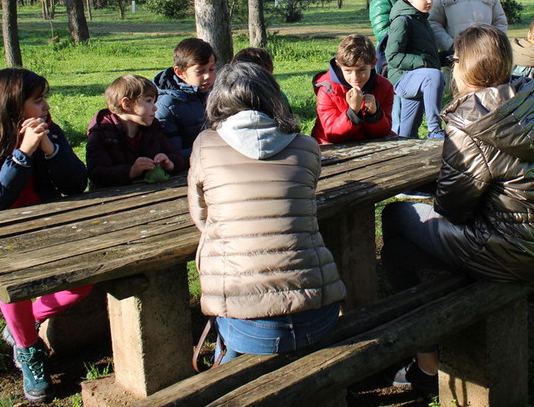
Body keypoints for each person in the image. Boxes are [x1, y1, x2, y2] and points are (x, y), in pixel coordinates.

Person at [381, 25, 534, 396]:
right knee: (402, 245)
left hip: (509, 251)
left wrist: (430, 194)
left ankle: (426, 361)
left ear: (466, 67)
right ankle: (428, 344)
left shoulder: (472, 120)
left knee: (394, 218)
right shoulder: (531, 99)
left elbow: (455, 208)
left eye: (454, 60)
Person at [187, 62, 346, 364]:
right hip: (320, 310)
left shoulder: (205, 145)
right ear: (273, 98)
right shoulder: (307, 147)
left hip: (250, 321)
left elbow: (203, 218)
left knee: (238, 331)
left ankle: (224, 381)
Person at [0, 68, 91, 403]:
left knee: (82, 279)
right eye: (37, 100)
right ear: (14, 105)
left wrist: (49, 148)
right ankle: (27, 350)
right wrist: (22, 152)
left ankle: (19, 327)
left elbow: (75, 184)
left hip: (36, 213)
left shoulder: (45, 124)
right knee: (15, 283)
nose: (45, 106)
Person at [86, 74, 185, 189]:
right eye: (148, 101)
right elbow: (97, 174)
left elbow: (177, 158)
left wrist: (169, 163)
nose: (155, 107)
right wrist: (131, 171)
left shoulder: (153, 129)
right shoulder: (102, 134)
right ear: (127, 104)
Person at [385, 0, 446, 139]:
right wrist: (423, 63)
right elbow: (392, 57)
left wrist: (445, 58)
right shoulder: (402, 21)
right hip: (402, 79)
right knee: (434, 75)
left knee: (407, 134)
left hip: (419, 79)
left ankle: (400, 156)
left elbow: (424, 55)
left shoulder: (422, 20)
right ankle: (434, 128)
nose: (429, 1)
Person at [311, 34, 394, 144]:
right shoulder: (328, 90)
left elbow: (383, 133)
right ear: (339, 65)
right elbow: (332, 135)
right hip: (329, 147)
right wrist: (353, 112)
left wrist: (375, 114)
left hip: (368, 145)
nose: (355, 78)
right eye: (348, 71)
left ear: (374, 63)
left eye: (362, 70)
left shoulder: (384, 87)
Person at [154, 37, 216, 160]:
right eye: (200, 71)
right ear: (180, 72)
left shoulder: (216, 92)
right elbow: (172, 154)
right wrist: (214, 150)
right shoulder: (167, 105)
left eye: (212, 69)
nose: (208, 76)